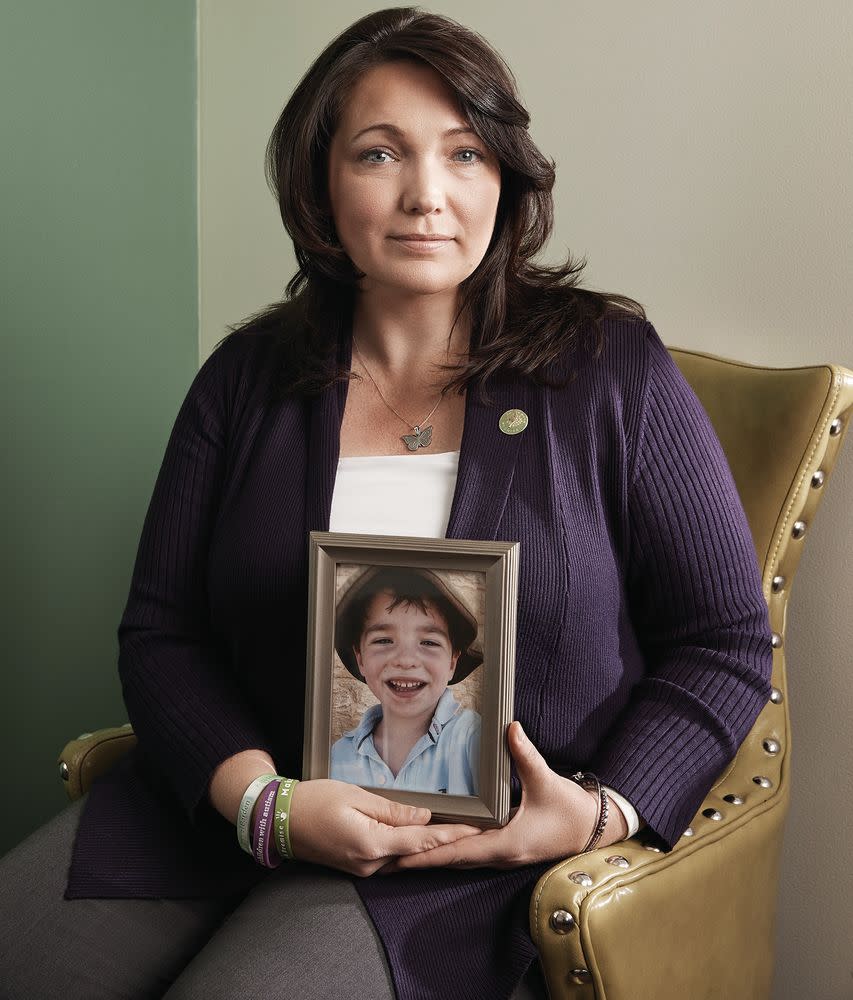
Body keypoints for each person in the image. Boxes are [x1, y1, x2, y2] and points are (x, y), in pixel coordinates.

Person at [0, 7, 772, 1000]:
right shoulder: (247, 376)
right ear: (321, 181)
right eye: (379, 153)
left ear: (504, 173)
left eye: (463, 154)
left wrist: (594, 814)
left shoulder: (608, 369)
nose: (426, 196)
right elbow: (163, 630)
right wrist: (261, 804)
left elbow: (723, 641)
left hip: (467, 861)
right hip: (235, 809)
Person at [330, 566, 483, 795]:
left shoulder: (473, 738)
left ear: (452, 662)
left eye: (429, 642)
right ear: (360, 658)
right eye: (383, 640)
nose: (406, 660)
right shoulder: (338, 756)